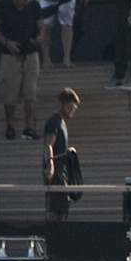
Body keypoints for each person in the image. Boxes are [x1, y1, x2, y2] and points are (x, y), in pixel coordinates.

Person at [0, 0, 45, 140]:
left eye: (27, 0)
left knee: (31, 90)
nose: (25, 3)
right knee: (10, 91)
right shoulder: (3, 5)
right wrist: (6, 42)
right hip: (9, 54)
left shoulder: (34, 6)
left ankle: (28, 127)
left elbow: (41, 27)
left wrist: (40, 38)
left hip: (30, 53)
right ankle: (10, 125)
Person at [43, 87, 81, 222]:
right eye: (70, 107)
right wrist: (51, 164)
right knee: (55, 209)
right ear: (62, 105)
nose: (72, 111)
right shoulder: (54, 122)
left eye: (73, 108)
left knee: (63, 207)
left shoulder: (62, 123)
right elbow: (49, 144)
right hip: (57, 172)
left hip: (63, 170)